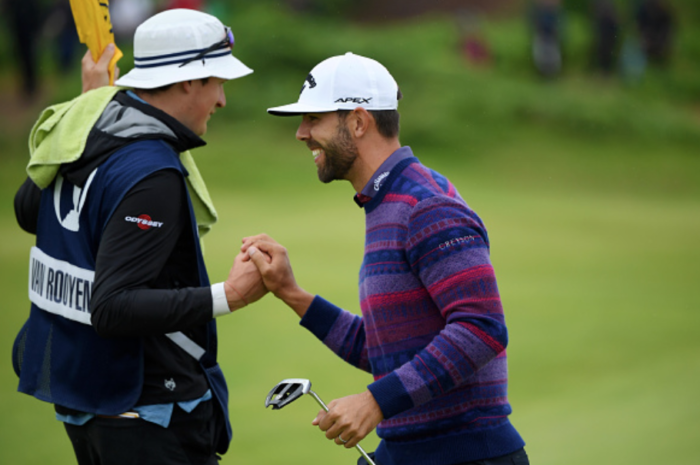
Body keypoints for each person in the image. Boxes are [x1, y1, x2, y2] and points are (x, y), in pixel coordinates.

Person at [241, 52, 528, 465]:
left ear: (358, 122)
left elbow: (481, 327)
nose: (301, 133)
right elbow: (386, 349)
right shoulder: (386, 201)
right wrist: (290, 292)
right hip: (416, 453)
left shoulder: (424, 205)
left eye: (314, 119)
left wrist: (374, 403)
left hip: (464, 456)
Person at [12, 9, 266, 465]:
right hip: (146, 415)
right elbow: (112, 307)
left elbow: (28, 210)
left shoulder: (87, 131)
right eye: (217, 83)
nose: (222, 100)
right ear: (189, 81)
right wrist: (230, 296)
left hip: (86, 403)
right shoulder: (153, 171)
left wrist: (81, 111)